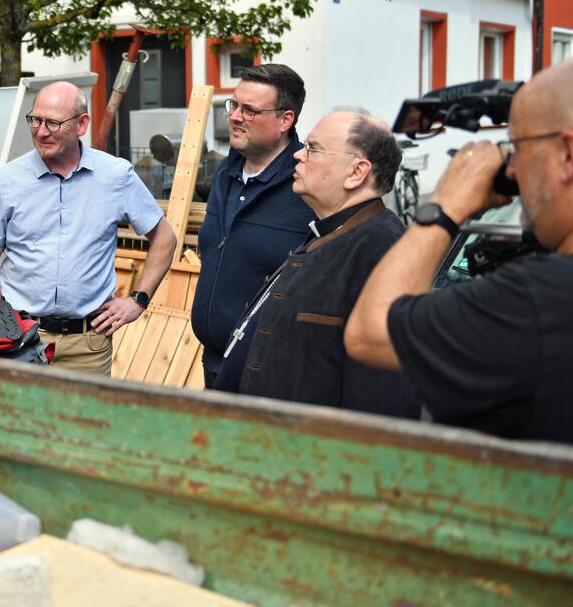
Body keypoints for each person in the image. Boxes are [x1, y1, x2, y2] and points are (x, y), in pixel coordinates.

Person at [346, 62, 573, 444]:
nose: (512, 170)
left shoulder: (540, 300)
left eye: (518, 147)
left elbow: (369, 332)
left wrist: (445, 207)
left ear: (566, 154)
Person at [214, 110, 419, 418]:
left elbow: (384, 395)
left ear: (356, 172)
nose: (298, 155)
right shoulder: (329, 229)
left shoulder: (383, 249)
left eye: (313, 149)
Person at [0, 81, 178, 375]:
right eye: (36, 120)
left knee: (87, 409)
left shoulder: (115, 176)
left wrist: (138, 301)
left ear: (82, 124)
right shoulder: (6, 180)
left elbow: (165, 238)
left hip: (88, 347)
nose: (41, 132)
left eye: (53, 123)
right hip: (22, 339)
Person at [191, 64, 314, 386]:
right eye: (234, 105)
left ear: (285, 120)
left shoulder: (308, 186)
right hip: (215, 362)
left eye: (250, 110)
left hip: (270, 373)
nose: (234, 116)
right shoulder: (226, 172)